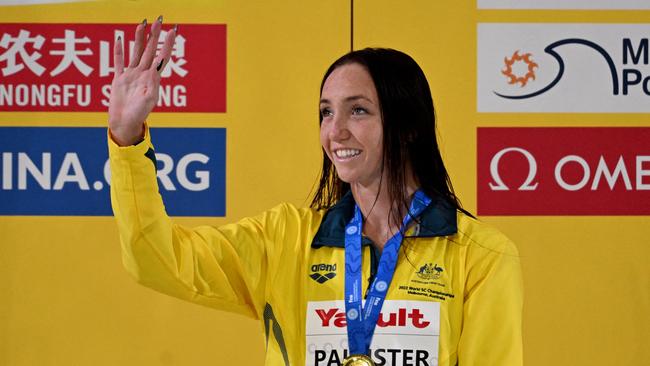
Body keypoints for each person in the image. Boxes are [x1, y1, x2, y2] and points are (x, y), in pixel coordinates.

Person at [108, 17, 523, 366]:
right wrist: (127, 140)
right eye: (326, 111)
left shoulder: (481, 256)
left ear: (409, 126)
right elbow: (156, 258)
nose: (335, 131)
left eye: (358, 110)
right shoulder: (283, 240)